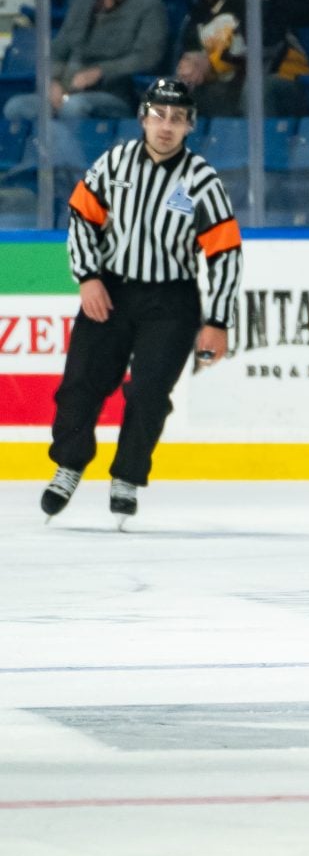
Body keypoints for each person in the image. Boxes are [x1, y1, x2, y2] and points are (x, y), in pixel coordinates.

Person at [39, 78, 243, 523]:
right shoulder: (114, 163)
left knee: (149, 394)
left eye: (176, 118)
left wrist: (218, 320)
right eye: (158, 115)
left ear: (190, 126)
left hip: (171, 301)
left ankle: (127, 477)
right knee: (80, 384)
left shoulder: (202, 181)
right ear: (143, 118)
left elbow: (225, 252)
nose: (165, 126)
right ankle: (69, 465)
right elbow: (81, 216)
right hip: (110, 290)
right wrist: (88, 277)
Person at [4, 0, 167, 121]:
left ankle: (65, 150)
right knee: (16, 107)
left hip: (114, 94)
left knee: (74, 107)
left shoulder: (150, 6)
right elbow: (56, 52)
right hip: (67, 91)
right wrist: (53, 83)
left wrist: (100, 71)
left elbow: (148, 57)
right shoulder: (81, 5)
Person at [174, 0, 309, 119]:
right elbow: (193, 58)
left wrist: (210, 63)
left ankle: (265, 147)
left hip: (284, 77)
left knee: (255, 90)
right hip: (235, 88)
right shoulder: (195, 17)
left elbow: (263, 42)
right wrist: (189, 70)